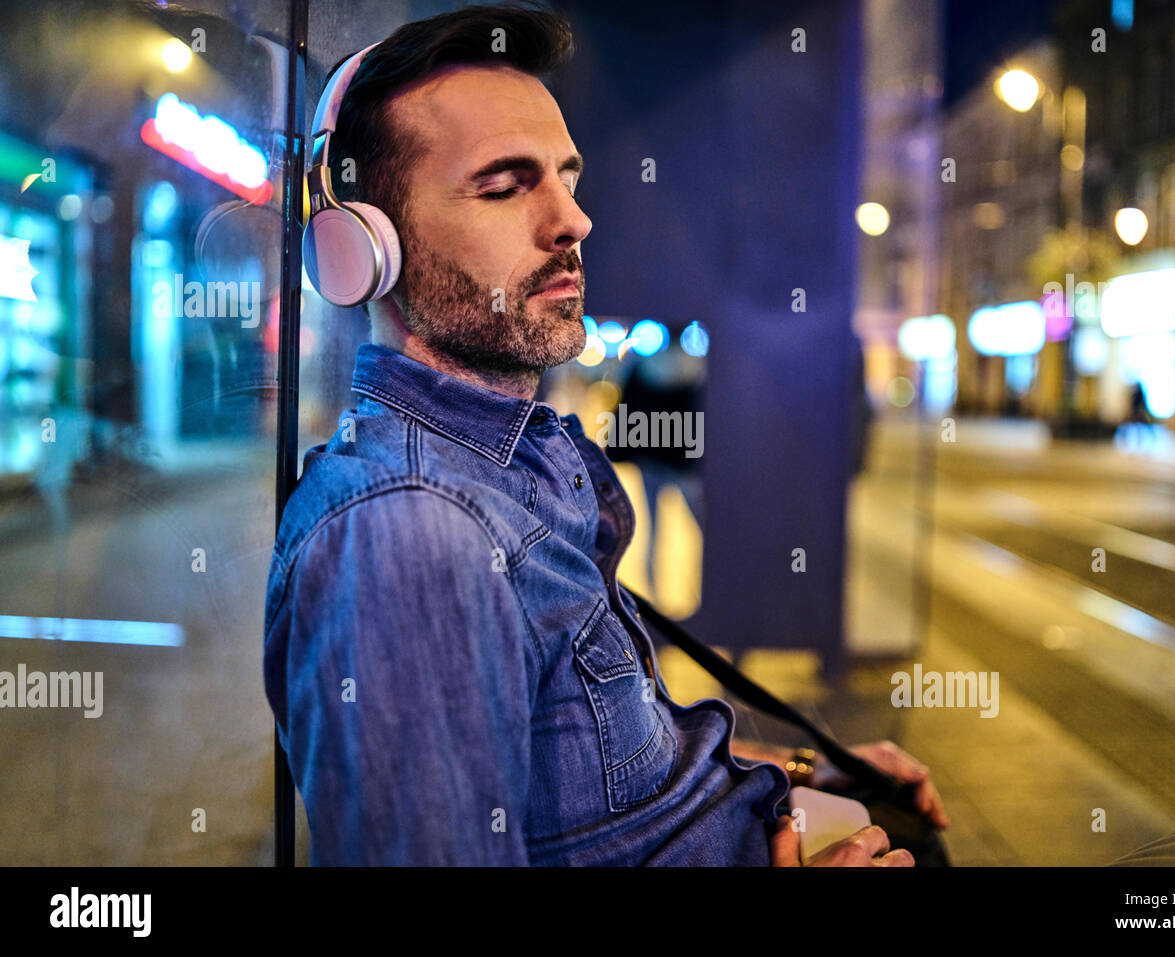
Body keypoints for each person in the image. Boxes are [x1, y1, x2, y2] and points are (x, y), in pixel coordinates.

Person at [262, 3, 944, 866]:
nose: (574, 221)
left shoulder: (517, 469)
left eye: (567, 177)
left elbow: (601, 776)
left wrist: (814, 773)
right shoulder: (413, 533)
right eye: (506, 185)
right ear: (365, 245)